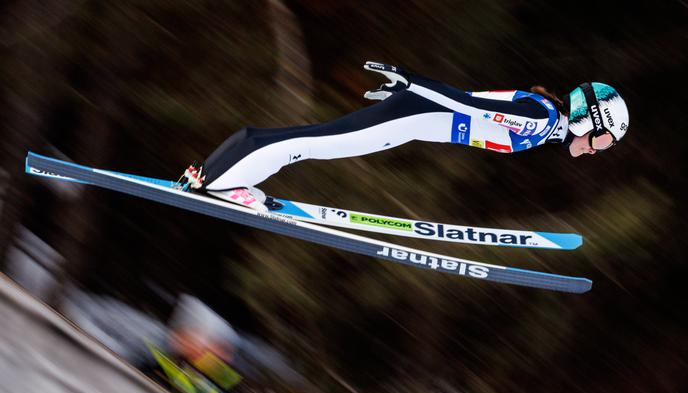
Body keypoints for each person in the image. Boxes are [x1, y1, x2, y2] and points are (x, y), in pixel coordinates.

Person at [180, 61, 630, 211]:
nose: (598, 151)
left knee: (311, 140)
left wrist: (413, 90)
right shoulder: (541, 120)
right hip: (409, 117)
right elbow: (471, 106)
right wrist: (412, 83)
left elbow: (473, 104)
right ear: (590, 119)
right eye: (605, 140)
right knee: (310, 143)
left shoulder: (547, 122)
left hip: (411, 120)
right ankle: (215, 180)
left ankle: (218, 173)